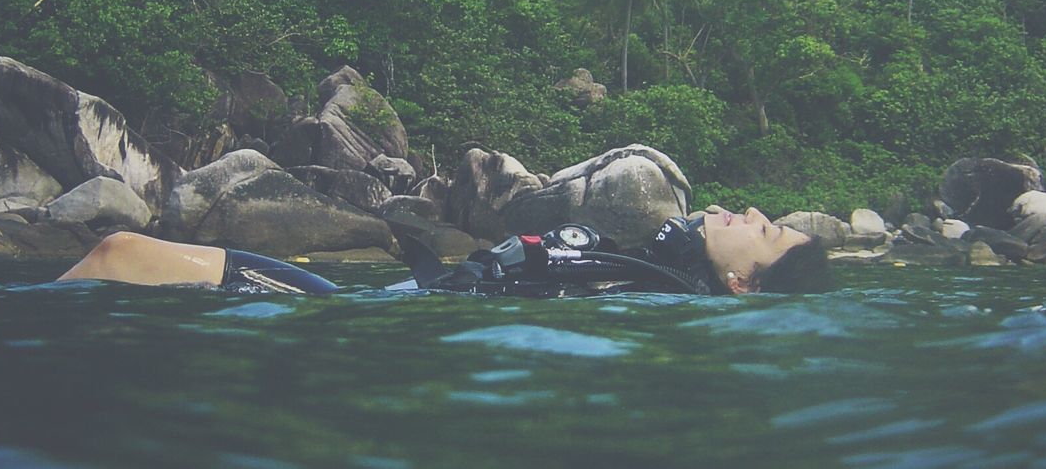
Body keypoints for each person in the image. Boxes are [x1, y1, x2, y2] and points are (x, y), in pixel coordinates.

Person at [58, 205, 830, 296]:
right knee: (117, 250)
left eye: (767, 232)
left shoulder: (656, 295)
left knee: (121, 250)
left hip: (354, 323)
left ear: (740, 283)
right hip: (380, 307)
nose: (757, 211)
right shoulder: (644, 270)